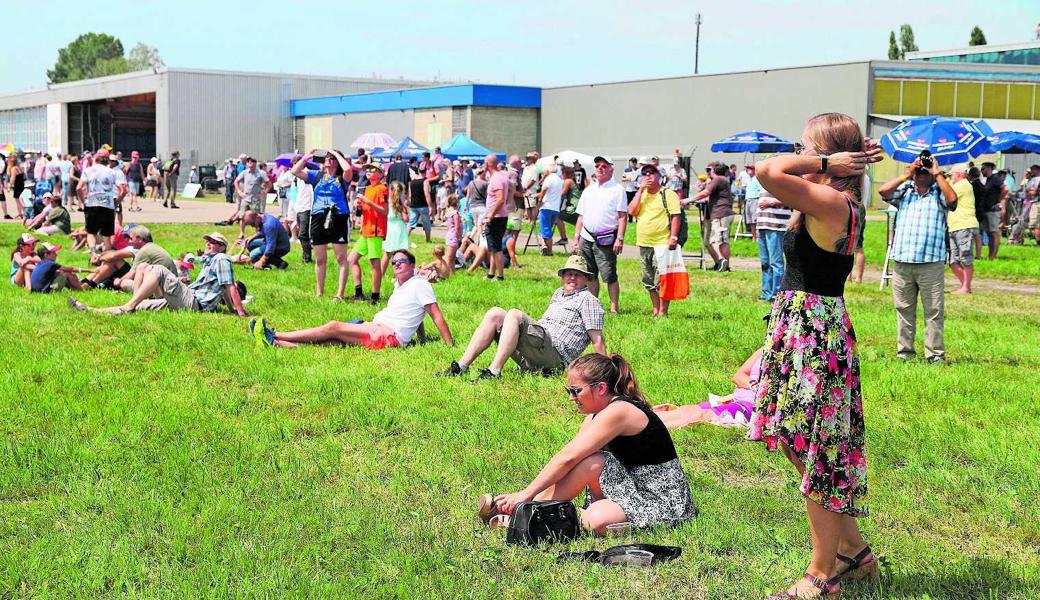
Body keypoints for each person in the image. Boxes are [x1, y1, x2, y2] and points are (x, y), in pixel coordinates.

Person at [751, 112, 879, 600]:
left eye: (807, 146)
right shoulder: (832, 197)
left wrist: (826, 160)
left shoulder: (829, 200)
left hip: (813, 329)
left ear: (828, 154)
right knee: (797, 439)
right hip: (806, 324)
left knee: (814, 448)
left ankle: (822, 574)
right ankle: (854, 551)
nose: (800, 153)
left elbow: (766, 171)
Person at [478, 353, 696, 534]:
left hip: (660, 499)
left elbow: (569, 456)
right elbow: (572, 459)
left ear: (601, 388)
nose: (571, 398)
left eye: (576, 391)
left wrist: (525, 492)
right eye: (569, 391)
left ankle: (534, 511)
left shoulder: (620, 411)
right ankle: (531, 508)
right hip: (628, 487)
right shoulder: (596, 414)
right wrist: (528, 493)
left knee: (594, 519)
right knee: (590, 463)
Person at [441, 254, 606, 382]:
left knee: (514, 314)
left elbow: (597, 340)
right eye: (569, 274)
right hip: (535, 353)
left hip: (555, 357)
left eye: (578, 275)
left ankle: (494, 371)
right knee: (495, 313)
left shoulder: (588, 300)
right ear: (562, 277)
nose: (572, 278)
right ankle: (461, 366)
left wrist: (605, 374)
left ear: (586, 279)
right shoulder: (558, 294)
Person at [251, 250, 453, 349]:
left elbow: (435, 315)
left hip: (386, 335)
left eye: (402, 262)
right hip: (378, 328)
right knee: (333, 340)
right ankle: (277, 343)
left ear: (412, 265)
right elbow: (417, 316)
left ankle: (275, 333)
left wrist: (449, 345)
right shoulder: (401, 285)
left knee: (332, 327)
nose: (397, 264)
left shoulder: (420, 284)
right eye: (394, 262)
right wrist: (423, 339)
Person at [879, 155, 957, 363]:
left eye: (925, 170)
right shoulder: (904, 192)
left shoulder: (939, 193)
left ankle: (935, 355)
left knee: (934, 311)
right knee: (904, 310)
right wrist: (907, 173)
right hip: (903, 261)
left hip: (931, 262)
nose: (922, 173)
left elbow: (952, 200)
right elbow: (883, 191)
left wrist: (937, 172)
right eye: (919, 170)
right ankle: (905, 353)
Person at [68, 232, 247, 317]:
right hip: (186, 299)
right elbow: (223, 289)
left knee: (157, 269)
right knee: (142, 304)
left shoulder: (222, 259)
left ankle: (130, 304)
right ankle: (92, 310)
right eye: (208, 240)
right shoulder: (211, 260)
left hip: (194, 303)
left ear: (222, 247)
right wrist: (230, 309)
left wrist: (240, 312)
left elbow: (229, 286)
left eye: (214, 242)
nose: (208, 243)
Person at [292, 150, 353, 298]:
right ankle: (319, 292)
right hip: (319, 216)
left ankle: (340, 294)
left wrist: (336, 154)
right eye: (327, 158)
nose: (329, 160)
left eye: (332, 158)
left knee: (340, 258)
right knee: (320, 259)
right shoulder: (317, 176)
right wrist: (307, 156)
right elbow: (295, 171)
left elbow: (348, 169)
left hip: (338, 216)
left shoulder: (342, 177)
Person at [652, 348, 762, 430]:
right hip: (734, 399)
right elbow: (738, 377)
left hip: (749, 406)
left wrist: (759, 389)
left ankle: (650, 431)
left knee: (700, 415)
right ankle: (642, 424)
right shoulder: (764, 349)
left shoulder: (779, 357)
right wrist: (759, 387)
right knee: (689, 409)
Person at [571, 156, 627, 314]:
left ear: (611, 169)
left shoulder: (617, 190)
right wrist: (576, 238)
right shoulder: (589, 190)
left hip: (606, 239)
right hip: (586, 237)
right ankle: (593, 305)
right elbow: (581, 216)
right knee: (589, 274)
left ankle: (614, 307)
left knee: (609, 275)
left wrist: (620, 238)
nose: (600, 168)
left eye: (604, 166)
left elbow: (623, 217)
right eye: (597, 166)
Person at [628, 162, 681, 317]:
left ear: (660, 176)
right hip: (644, 243)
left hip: (662, 243)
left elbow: (675, 216)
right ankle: (655, 309)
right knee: (648, 279)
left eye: (652, 172)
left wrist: (673, 237)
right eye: (645, 173)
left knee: (662, 279)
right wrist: (640, 190)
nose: (648, 176)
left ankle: (663, 312)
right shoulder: (642, 194)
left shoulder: (667, 193)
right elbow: (631, 211)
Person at [348, 166, 389, 303]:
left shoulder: (382, 189)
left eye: (373, 170)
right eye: (367, 170)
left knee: (374, 262)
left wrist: (368, 202)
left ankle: (375, 297)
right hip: (366, 230)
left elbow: (384, 212)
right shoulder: (368, 189)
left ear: (380, 174)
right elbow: (366, 210)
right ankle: (358, 293)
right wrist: (360, 206)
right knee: (351, 259)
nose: (369, 172)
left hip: (376, 231)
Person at [691, 163, 736, 271]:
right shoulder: (718, 181)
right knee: (711, 241)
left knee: (717, 240)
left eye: (709, 170)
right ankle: (720, 263)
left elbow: (705, 193)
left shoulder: (717, 180)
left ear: (714, 171)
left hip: (720, 213)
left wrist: (689, 200)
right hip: (712, 214)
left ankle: (722, 261)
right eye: (706, 170)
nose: (707, 172)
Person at [754, 183, 793, 302]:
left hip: (776, 226)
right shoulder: (762, 184)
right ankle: (766, 293)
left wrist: (771, 203)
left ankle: (776, 293)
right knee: (765, 262)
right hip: (763, 225)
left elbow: (791, 200)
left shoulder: (782, 182)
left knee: (776, 262)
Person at [78, 148, 117, 252]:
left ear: (96, 158)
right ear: (107, 160)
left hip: (92, 203)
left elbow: (78, 188)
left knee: (91, 232)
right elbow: (122, 189)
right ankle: (106, 257)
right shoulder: (112, 172)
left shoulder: (88, 170)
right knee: (107, 235)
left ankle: (93, 254)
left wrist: (83, 202)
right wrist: (117, 201)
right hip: (107, 204)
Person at [946, 165, 978, 294]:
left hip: (964, 225)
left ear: (958, 174)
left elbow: (948, 197)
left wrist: (944, 181)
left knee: (965, 258)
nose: (950, 178)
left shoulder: (963, 185)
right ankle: (964, 286)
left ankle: (966, 287)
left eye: (951, 175)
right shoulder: (958, 185)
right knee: (953, 261)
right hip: (955, 225)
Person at [483, 156, 512, 280]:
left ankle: (500, 276)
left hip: (496, 217)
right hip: (501, 215)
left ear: (488, 164)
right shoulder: (503, 176)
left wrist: (491, 215)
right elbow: (512, 188)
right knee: (493, 247)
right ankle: (491, 273)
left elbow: (500, 199)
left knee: (496, 248)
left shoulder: (496, 179)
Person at [536, 160, 567, 256]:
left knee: (546, 229)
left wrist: (540, 200)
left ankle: (549, 251)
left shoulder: (549, 179)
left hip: (546, 206)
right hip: (555, 208)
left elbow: (545, 189)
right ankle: (544, 245)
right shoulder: (560, 180)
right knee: (547, 227)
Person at [381, 181, 410, 275]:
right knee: (399, 255)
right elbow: (406, 219)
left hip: (389, 228)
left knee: (386, 254)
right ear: (401, 192)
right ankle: (397, 275)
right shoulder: (401, 204)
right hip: (399, 229)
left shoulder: (386, 203)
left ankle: (381, 275)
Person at [978, 162, 1003, 259]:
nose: (981, 170)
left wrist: (998, 201)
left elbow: (1005, 188)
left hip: (993, 210)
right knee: (989, 233)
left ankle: (993, 255)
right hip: (986, 209)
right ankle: (990, 255)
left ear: (989, 168)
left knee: (994, 233)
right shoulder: (988, 179)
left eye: (983, 169)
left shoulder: (995, 178)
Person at [443, 194, 462, 273]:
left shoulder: (449, 212)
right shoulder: (455, 214)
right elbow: (457, 227)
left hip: (450, 235)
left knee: (453, 257)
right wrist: (460, 237)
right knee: (449, 257)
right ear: (457, 203)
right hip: (454, 236)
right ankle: (445, 273)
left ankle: (452, 273)